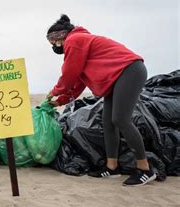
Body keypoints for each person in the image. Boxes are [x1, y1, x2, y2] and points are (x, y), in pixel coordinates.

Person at [45, 14, 156, 186]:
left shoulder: (75, 40)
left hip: (129, 70)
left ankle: (145, 169)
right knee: (108, 122)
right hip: (116, 78)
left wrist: (55, 91)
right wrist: (60, 101)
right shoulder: (80, 43)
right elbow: (78, 82)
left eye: (53, 42)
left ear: (60, 37)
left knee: (121, 119)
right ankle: (112, 167)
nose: (54, 47)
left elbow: (68, 75)